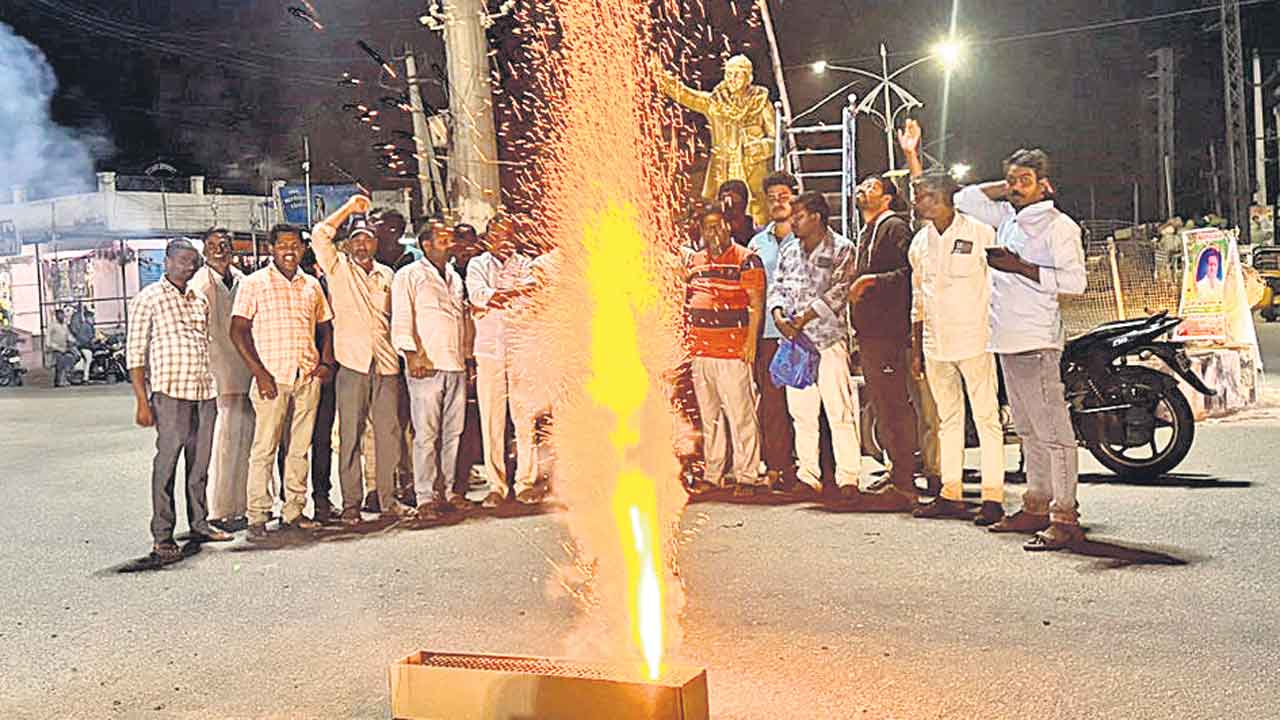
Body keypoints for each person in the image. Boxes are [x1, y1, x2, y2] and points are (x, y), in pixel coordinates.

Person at [951, 140, 1088, 551]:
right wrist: (1009, 184)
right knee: (1027, 431)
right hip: (1006, 339)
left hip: (1038, 340)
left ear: (1045, 186)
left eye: (1024, 181)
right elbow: (963, 197)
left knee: (1054, 434)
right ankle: (1036, 504)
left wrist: (1021, 268)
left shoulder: (1060, 227)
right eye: (1011, 181)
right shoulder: (1008, 218)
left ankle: (1065, 516)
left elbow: (1075, 283)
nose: (1015, 187)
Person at [901, 168, 1006, 525]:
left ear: (947, 196)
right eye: (917, 196)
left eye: (927, 195)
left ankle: (993, 496)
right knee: (947, 420)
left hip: (976, 340)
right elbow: (918, 299)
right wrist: (916, 349)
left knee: (987, 418)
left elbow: (998, 289)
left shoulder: (980, 233)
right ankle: (951, 492)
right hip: (935, 344)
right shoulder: (919, 243)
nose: (920, 202)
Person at [311, 196, 417, 524]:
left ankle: (387, 499)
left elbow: (398, 319)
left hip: (385, 365)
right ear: (348, 244)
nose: (362, 246)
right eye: (356, 240)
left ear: (375, 244)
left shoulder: (388, 275)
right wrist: (349, 208)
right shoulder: (338, 268)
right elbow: (319, 233)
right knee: (350, 437)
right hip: (352, 365)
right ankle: (352, 504)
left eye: (367, 239)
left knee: (389, 435)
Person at [126, 239, 233, 562]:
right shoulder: (149, 298)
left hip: (203, 391)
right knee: (167, 464)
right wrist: (142, 402)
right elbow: (135, 353)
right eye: (183, 260)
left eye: (193, 262)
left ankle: (200, 523)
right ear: (167, 261)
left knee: (200, 464)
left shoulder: (198, 298)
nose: (189, 266)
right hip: (171, 392)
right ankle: (162, 535)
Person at [230, 224, 336, 538]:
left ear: (304, 249)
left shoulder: (312, 284)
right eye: (283, 245)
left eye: (295, 245)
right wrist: (260, 373)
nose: (289, 251)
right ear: (271, 249)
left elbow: (326, 326)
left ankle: (294, 511)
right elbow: (237, 330)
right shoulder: (254, 284)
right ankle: (257, 516)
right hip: (271, 379)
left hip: (306, 377)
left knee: (299, 449)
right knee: (264, 449)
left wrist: (326, 362)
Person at [767, 192, 861, 499]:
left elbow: (839, 292)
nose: (792, 221)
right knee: (802, 414)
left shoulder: (842, 248)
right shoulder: (790, 250)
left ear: (817, 217)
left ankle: (848, 478)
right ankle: (809, 476)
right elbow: (777, 286)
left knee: (839, 412)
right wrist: (779, 315)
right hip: (796, 343)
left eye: (799, 215)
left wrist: (804, 317)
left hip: (828, 341)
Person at [847, 174, 921, 512]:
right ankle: (895, 470)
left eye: (872, 187)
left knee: (893, 405)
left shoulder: (894, 227)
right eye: (861, 186)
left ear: (888, 198)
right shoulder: (867, 230)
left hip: (888, 332)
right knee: (881, 403)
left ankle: (905, 483)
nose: (862, 190)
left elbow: (909, 274)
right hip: (870, 332)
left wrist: (871, 281)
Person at [684, 204, 766, 496]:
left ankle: (746, 476)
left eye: (719, 225)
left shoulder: (747, 259)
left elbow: (756, 304)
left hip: (733, 352)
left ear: (729, 227)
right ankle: (713, 473)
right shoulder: (694, 261)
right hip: (702, 352)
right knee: (710, 417)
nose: (714, 231)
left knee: (741, 415)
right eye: (708, 227)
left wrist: (750, 344)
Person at [392, 220, 471, 519]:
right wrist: (412, 356)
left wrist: (466, 359)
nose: (448, 242)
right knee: (426, 434)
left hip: (455, 365)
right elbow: (401, 319)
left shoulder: (454, 277)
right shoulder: (409, 275)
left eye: (449, 237)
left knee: (453, 432)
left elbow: (461, 322)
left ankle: (449, 490)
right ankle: (425, 496)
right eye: (442, 238)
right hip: (426, 366)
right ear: (425, 244)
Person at [466, 212, 543, 506]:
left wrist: (495, 298)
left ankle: (525, 481)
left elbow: (532, 295)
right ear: (488, 238)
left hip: (522, 349)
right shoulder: (477, 264)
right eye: (499, 235)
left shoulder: (526, 264)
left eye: (511, 235)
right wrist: (507, 295)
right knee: (491, 418)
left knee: (524, 418)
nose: (506, 241)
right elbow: (479, 295)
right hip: (489, 351)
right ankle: (496, 486)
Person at [656, 54, 777, 225]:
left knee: (757, 215)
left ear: (749, 77)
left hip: (752, 170)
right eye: (728, 74)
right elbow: (686, 95)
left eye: (737, 74)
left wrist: (760, 147)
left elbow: (777, 139)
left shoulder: (761, 103)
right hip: (722, 170)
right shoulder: (715, 103)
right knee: (717, 212)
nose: (732, 79)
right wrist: (662, 77)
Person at [190, 228, 254, 533]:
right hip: (217, 372)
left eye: (225, 245)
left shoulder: (243, 280)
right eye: (213, 246)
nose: (220, 250)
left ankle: (241, 506)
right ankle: (218, 510)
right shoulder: (199, 284)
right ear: (205, 251)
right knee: (222, 443)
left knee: (246, 442)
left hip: (246, 369)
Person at [747, 172, 798, 488]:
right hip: (767, 335)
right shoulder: (757, 243)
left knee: (806, 405)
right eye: (772, 197)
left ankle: (814, 469)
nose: (778, 202)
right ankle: (777, 467)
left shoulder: (809, 236)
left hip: (801, 335)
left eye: (784, 195)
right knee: (772, 405)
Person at [371, 207, 415, 510]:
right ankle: (377, 485)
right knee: (378, 424)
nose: (377, 232)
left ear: (396, 231)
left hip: (406, 352)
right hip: (377, 352)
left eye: (383, 228)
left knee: (406, 421)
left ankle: (407, 479)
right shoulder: (368, 263)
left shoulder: (410, 262)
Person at [717, 180, 757, 247]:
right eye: (723, 199)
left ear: (744, 202)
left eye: (733, 200)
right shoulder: (718, 236)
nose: (728, 204)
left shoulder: (759, 236)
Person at [45, 308, 75, 387]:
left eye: (62, 315)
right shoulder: (52, 325)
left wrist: (73, 341)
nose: (61, 317)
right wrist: (50, 346)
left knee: (66, 363)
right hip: (56, 348)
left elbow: (68, 335)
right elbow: (48, 337)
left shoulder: (64, 325)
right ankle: (58, 381)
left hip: (64, 348)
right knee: (59, 365)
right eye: (59, 315)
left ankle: (64, 380)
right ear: (56, 316)